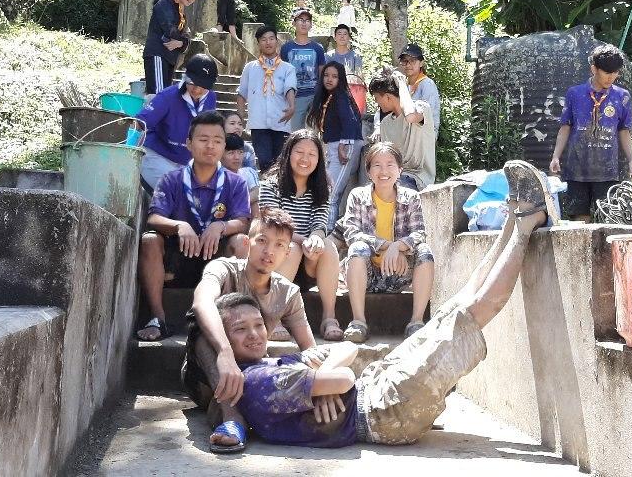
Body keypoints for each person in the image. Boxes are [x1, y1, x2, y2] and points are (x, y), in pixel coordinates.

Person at [206, 160, 552, 451]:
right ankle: (526, 225)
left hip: (376, 385)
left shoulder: (272, 361)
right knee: (469, 316)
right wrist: (324, 382)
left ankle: (511, 222)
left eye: (256, 324)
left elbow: (344, 353)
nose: (254, 334)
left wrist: (322, 384)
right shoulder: (256, 380)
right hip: (384, 412)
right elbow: (340, 375)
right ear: (225, 340)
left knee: (452, 310)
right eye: (240, 329)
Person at [181, 207, 332, 453]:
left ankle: (237, 413)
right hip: (206, 373)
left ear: (287, 252)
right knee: (200, 328)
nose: (269, 251)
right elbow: (201, 302)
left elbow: (310, 349)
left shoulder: (288, 293)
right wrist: (225, 353)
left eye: (279, 245)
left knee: (304, 361)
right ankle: (231, 418)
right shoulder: (223, 268)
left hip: (250, 371)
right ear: (246, 242)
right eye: (262, 241)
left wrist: (324, 386)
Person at [136, 111, 252, 341]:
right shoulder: (172, 179)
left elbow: (243, 221)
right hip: (177, 258)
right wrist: (180, 226)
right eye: (203, 139)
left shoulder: (236, 182)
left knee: (241, 242)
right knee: (150, 239)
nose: (210, 146)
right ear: (189, 143)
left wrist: (220, 226)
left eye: (218, 140)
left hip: (216, 257)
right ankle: (157, 317)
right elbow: (154, 218)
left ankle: (231, 319)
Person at [341, 142, 433, 342]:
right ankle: (358, 322)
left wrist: (399, 246)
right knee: (357, 248)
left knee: (424, 251)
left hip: (399, 274)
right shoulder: (357, 196)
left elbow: (419, 233)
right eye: (377, 165)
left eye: (390, 165)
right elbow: (351, 232)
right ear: (368, 171)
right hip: (368, 273)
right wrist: (387, 245)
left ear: (399, 170)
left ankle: (416, 322)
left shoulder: (411, 197)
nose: (384, 171)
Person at [258, 129, 342, 341]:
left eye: (312, 154)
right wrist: (303, 241)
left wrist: (314, 238)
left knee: (328, 246)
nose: (305, 159)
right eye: (299, 152)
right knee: (291, 248)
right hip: (275, 260)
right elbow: (273, 225)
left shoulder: (322, 187)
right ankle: (273, 317)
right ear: (288, 153)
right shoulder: (270, 185)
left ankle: (329, 317)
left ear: (319, 159)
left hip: (308, 262)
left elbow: (320, 223)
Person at [549, 44, 632, 222]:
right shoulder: (575, 93)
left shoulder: (623, 96)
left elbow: (624, 130)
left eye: (615, 73)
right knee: (579, 222)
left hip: (607, 171)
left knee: (607, 219)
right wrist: (556, 156)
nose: (611, 77)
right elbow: (565, 126)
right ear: (594, 69)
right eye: (606, 72)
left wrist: (631, 160)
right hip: (577, 169)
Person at [137, 54, 219, 191]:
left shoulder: (210, 98)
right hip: (157, 157)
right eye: (192, 83)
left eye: (203, 86)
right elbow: (140, 122)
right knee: (178, 192)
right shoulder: (168, 96)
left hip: (186, 163)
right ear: (186, 77)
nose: (197, 90)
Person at [305, 61, 363, 230]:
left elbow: (350, 120)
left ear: (341, 79)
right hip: (334, 145)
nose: (329, 79)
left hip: (345, 144)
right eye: (326, 75)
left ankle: (327, 233)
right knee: (328, 190)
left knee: (331, 193)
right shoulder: (330, 97)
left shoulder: (341, 96)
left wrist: (344, 143)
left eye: (334, 76)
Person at [237, 25, 297, 172]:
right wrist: (240, 117)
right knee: (264, 160)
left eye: (271, 39)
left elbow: (289, 87)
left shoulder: (287, 68)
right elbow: (241, 93)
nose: (268, 42)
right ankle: (266, 191)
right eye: (263, 39)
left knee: (280, 163)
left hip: (281, 121)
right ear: (258, 43)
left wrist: (291, 106)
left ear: (277, 41)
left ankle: (276, 192)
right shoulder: (250, 68)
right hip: (258, 123)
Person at [370, 68, 437, 191]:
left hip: (417, 178)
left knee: (396, 189)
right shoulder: (385, 124)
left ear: (388, 97)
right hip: (394, 176)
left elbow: (410, 116)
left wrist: (401, 83)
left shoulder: (421, 108)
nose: (376, 102)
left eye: (376, 98)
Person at [143, 0, 202, 95]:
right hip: (158, 55)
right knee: (158, 96)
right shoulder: (165, 3)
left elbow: (186, 39)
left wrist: (181, 43)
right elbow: (170, 30)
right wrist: (182, 42)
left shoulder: (182, 14)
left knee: (163, 96)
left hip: (169, 59)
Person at [280, 8, 326, 131]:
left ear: (311, 25)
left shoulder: (317, 48)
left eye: (307, 20)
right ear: (294, 23)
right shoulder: (286, 48)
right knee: (295, 133)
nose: (304, 23)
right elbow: (282, 73)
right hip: (295, 97)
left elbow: (322, 72)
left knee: (313, 133)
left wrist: (322, 95)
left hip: (314, 96)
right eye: (300, 20)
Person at [397, 43, 441, 134]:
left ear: (421, 63)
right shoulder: (403, 85)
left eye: (412, 61)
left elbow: (422, 117)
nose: (408, 65)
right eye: (404, 61)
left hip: (424, 138)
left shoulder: (427, 84)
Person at [223, 133, 261, 219]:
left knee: (255, 204)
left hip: (243, 213)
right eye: (231, 153)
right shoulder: (216, 175)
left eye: (240, 152)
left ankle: (255, 230)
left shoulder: (248, 172)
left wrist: (237, 203)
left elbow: (256, 193)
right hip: (221, 215)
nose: (237, 157)